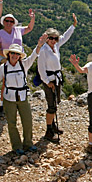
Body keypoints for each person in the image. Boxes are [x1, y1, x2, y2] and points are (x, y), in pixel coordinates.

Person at [0, 34, 47, 155]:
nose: (15, 56)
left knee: (27, 120)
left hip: (23, 97)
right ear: (8, 54)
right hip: (9, 98)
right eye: (12, 53)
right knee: (11, 123)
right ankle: (16, 146)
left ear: (19, 56)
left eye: (17, 54)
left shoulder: (24, 64)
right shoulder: (3, 68)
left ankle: (28, 143)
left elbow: (34, 55)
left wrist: (39, 46)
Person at [38, 13, 77, 142]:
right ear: (46, 38)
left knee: (55, 102)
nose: (54, 40)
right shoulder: (43, 50)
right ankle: (48, 131)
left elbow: (65, 37)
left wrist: (73, 26)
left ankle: (53, 126)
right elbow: (41, 69)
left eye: (55, 38)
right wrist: (47, 82)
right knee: (51, 105)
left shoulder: (55, 47)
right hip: (49, 78)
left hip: (57, 78)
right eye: (51, 38)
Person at [0, 9, 36, 117]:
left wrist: (32, 18)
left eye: (11, 21)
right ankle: (3, 105)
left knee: (19, 81)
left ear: (14, 23)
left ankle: (18, 102)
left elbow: (30, 28)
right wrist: (8, 57)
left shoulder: (18, 30)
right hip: (6, 59)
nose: (8, 23)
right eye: (7, 21)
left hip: (19, 59)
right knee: (5, 82)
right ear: (3, 22)